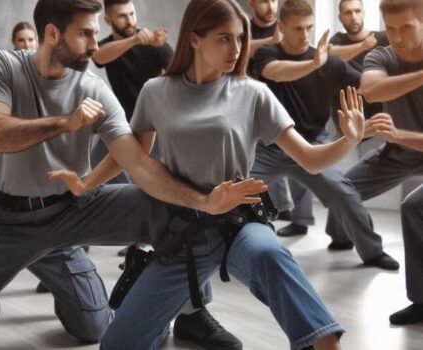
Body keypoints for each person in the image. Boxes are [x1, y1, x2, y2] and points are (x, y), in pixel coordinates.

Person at [53, 0, 373, 347]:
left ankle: (324, 342)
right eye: (224, 38)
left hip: (239, 223)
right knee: (117, 343)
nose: (236, 50)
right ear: (194, 39)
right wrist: (86, 184)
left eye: (240, 39)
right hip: (181, 232)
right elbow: (133, 154)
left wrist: (347, 141)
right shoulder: (156, 91)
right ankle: (162, 327)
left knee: (269, 253)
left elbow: (310, 159)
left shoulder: (253, 93)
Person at [0, 0, 263, 347]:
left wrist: (204, 201)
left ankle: (190, 312)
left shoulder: (94, 88)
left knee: (167, 215)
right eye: (85, 34)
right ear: (52, 33)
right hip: (10, 221)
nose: (96, 45)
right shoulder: (3, 65)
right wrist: (65, 122)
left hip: (73, 210)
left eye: (96, 33)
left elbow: (138, 163)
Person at [248, 0, 399, 270]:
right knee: (231, 187)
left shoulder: (329, 63)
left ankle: (372, 252)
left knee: (344, 192)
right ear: (281, 27)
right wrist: (314, 63)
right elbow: (276, 73)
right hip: (268, 146)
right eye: (297, 29)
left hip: (313, 143)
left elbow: (367, 87)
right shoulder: (266, 54)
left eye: (309, 28)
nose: (305, 35)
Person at [327, 0, 423, 324]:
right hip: (397, 151)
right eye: (391, 28)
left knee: (414, 207)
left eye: (406, 27)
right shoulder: (381, 54)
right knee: (341, 188)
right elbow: (370, 89)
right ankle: (368, 248)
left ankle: (421, 299)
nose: (396, 36)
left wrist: (400, 135)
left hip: (404, 141)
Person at [91, 0, 173, 186]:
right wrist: (134, 40)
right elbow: (98, 56)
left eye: (131, 14)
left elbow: (180, 73)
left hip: (153, 125)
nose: (129, 21)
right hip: (122, 123)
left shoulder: (153, 41)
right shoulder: (107, 46)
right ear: (107, 20)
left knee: (152, 179)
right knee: (95, 169)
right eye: (122, 16)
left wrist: (159, 46)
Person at [247, 0, 300, 222]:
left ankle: (299, 217)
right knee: (259, 160)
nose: (270, 6)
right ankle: (275, 208)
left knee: (297, 159)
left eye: (273, 0)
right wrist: (272, 41)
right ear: (252, 3)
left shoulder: (284, 24)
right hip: (254, 103)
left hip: (288, 99)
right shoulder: (245, 26)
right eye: (264, 1)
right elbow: (238, 48)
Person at [329, 0, 389, 128]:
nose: (353, 17)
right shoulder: (337, 40)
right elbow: (329, 56)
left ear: (364, 13)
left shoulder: (382, 38)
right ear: (340, 17)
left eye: (357, 11)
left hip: (381, 120)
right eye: (348, 13)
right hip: (348, 123)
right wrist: (362, 46)